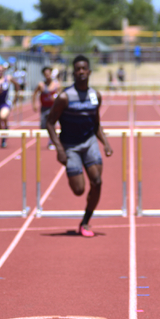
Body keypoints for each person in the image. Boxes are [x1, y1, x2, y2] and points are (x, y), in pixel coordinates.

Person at [46, 55, 113, 237]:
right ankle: (75, 170)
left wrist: (105, 143)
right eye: (78, 69)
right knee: (79, 190)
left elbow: (96, 123)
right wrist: (59, 148)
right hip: (70, 145)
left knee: (97, 181)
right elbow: (50, 122)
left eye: (84, 68)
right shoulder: (64, 97)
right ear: (74, 73)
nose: (81, 72)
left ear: (89, 72)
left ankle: (85, 222)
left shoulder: (95, 96)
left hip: (89, 142)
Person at [0, 63, 21, 148]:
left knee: (2, 116)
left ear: (4, 71)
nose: (0, 72)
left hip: (5, 103)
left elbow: (17, 85)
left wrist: (16, 96)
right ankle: (3, 138)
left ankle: (6, 126)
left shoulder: (8, 78)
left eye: (1, 70)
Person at [32, 67, 60, 149]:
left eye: (49, 74)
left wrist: (55, 98)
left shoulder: (56, 84)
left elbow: (61, 95)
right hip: (44, 108)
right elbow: (34, 94)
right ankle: (48, 140)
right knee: (43, 125)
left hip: (53, 108)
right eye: (45, 74)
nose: (47, 76)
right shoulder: (41, 85)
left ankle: (51, 141)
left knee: (52, 124)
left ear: (51, 74)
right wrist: (34, 104)